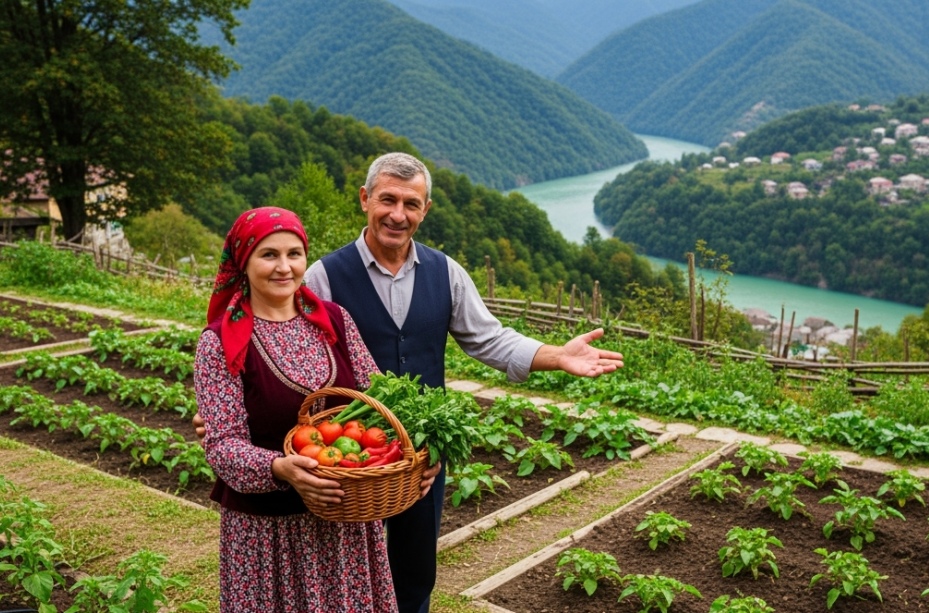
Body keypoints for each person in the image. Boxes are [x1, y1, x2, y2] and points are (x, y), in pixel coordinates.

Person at [196, 153, 624, 613]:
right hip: (332, 470)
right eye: (387, 200)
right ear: (365, 199)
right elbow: (264, 352)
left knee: (413, 573)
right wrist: (234, 428)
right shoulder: (322, 277)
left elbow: (490, 339)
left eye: (411, 203)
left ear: (426, 209)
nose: (398, 214)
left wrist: (557, 356)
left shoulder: (444, 273)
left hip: (405, 456)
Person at [194, 207, 412, 613]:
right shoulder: (220, 342)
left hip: (345, 523)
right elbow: (221, 445)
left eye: (294, 254)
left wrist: (416, 447)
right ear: (243, 263)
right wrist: (281, 468)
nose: (284, 267)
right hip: (268, 532)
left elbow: (382, 400)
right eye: (269, 254)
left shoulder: (335, 321)